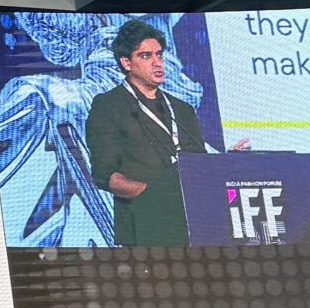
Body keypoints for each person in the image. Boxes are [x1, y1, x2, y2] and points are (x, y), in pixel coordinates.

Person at [85, 20, 246, 249]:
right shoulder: (108, 105)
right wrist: (155, 195)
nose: (157, 62)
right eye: (145, 56)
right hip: (143, 227)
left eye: (159, 55)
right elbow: (105, 175)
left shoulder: (182, 109)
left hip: (193, 226)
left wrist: (224, 162)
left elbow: (198, 165)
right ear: (126, 62)